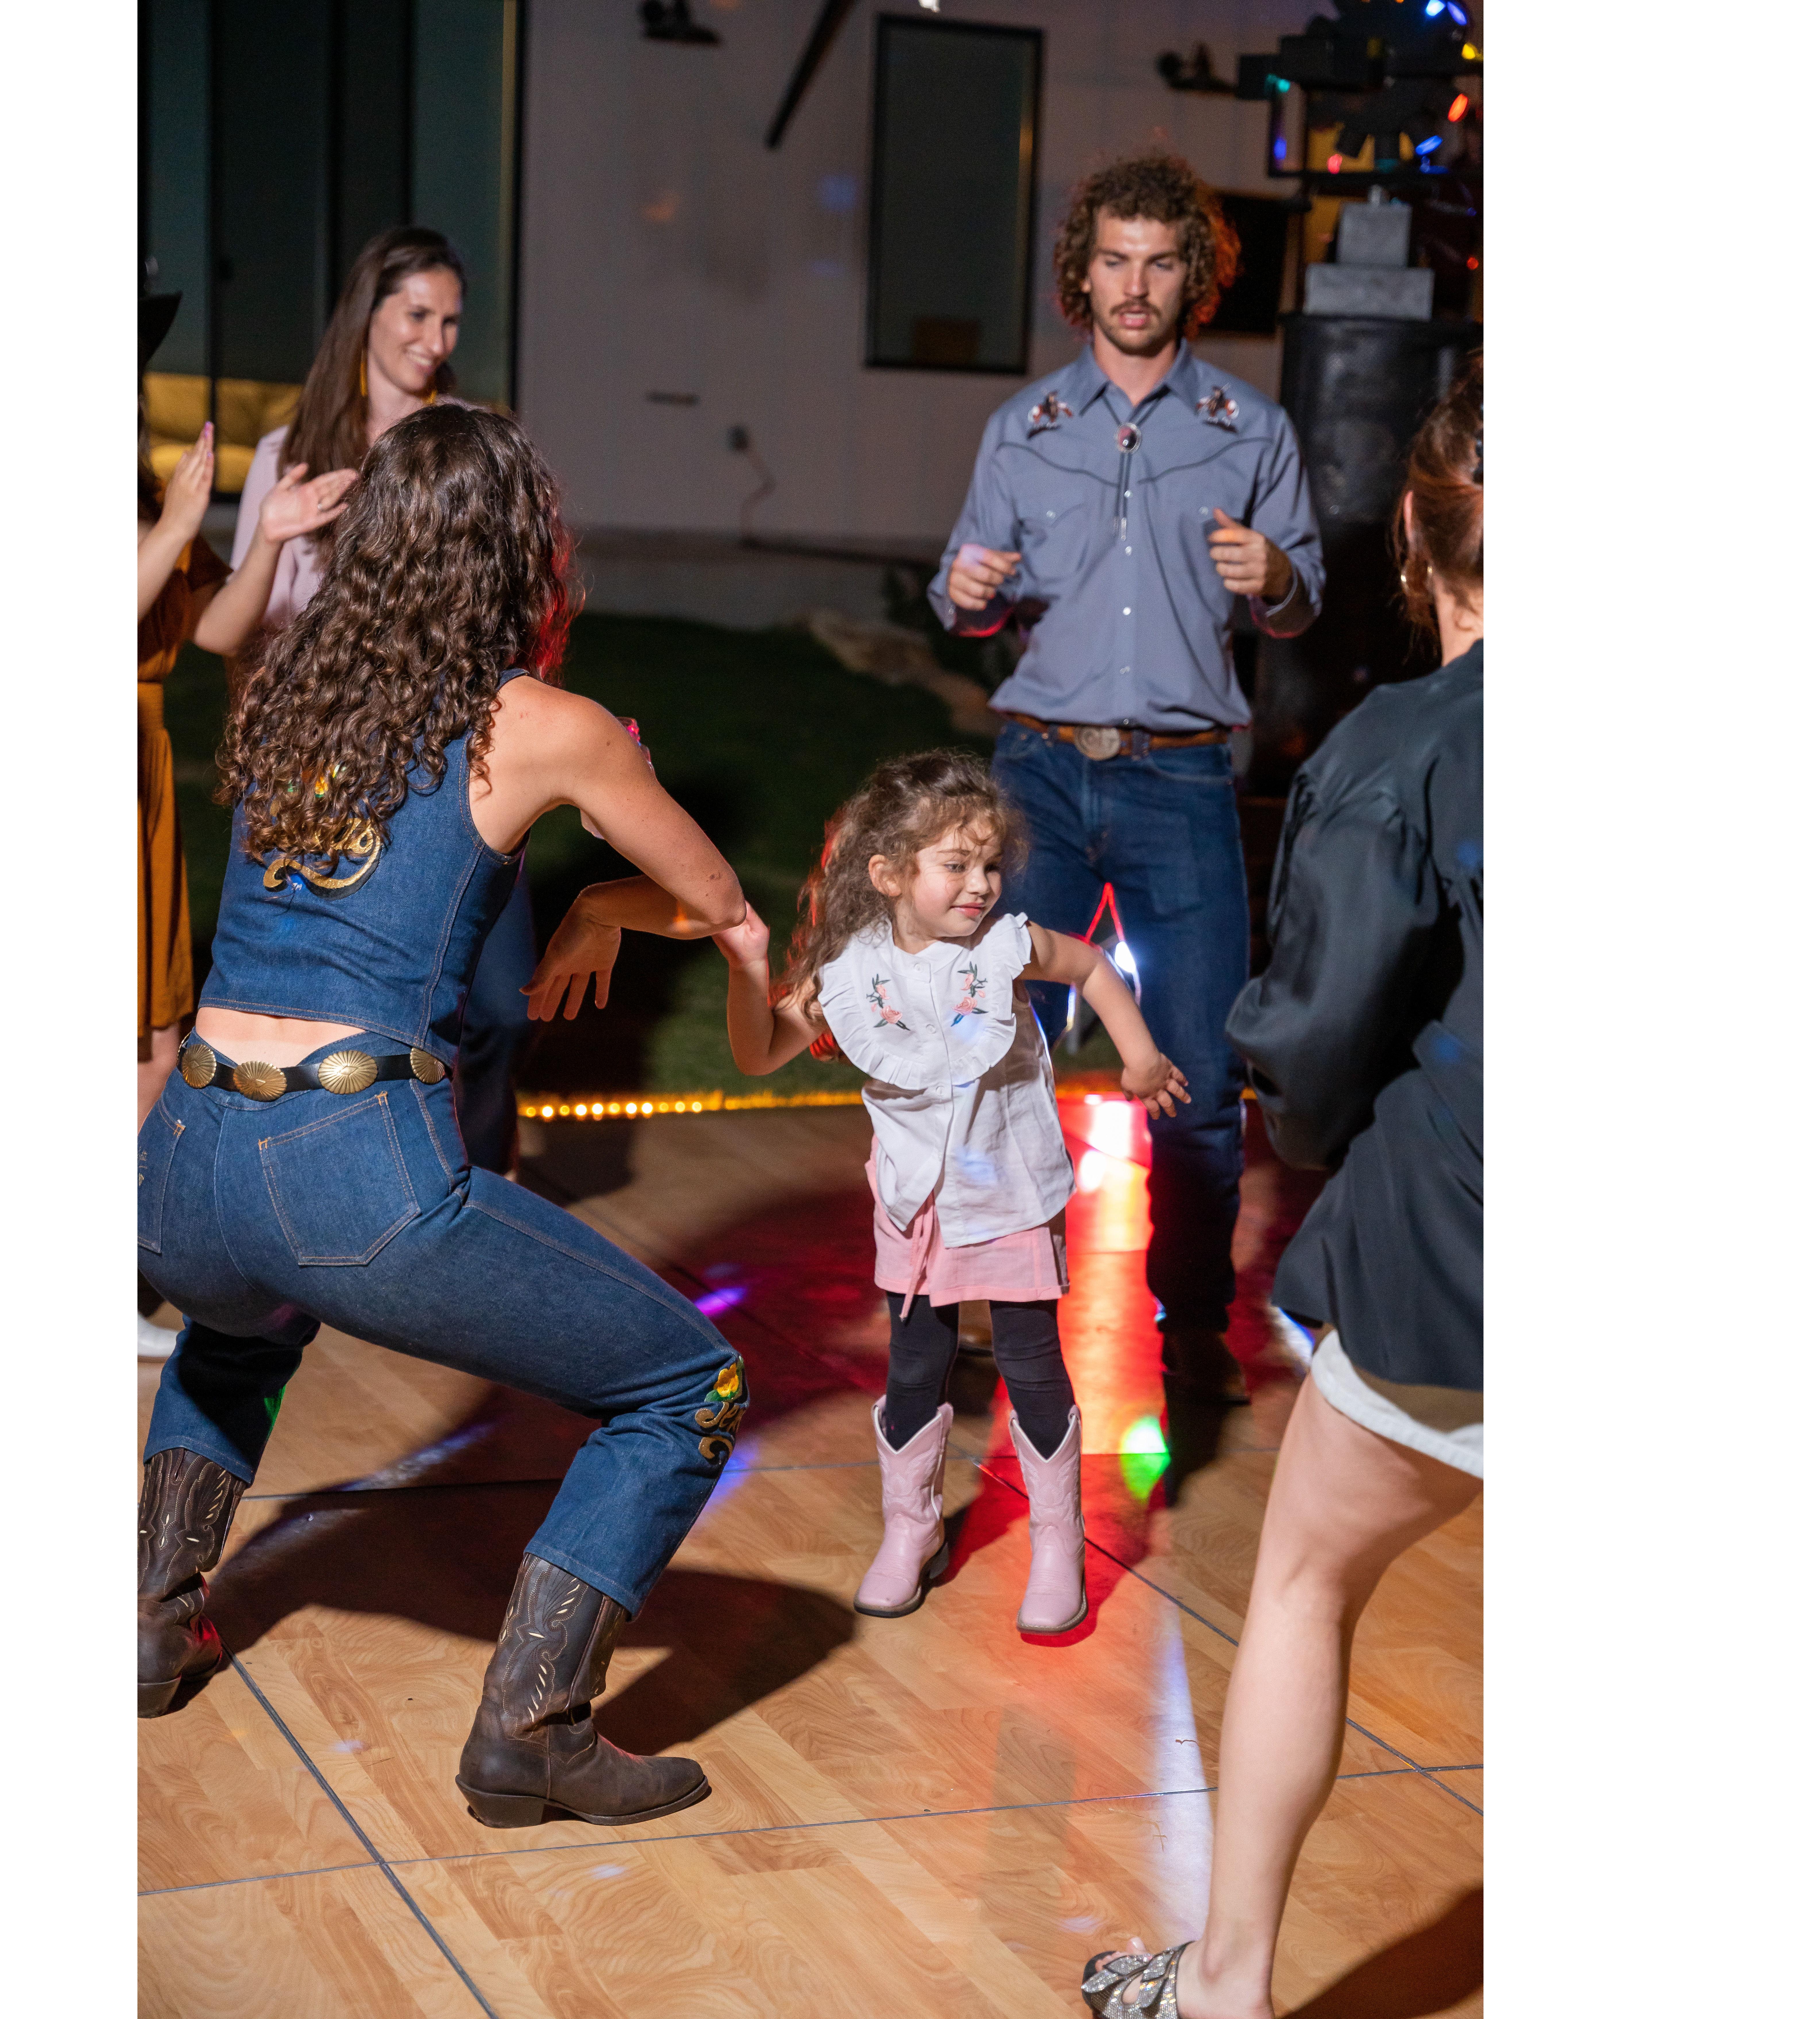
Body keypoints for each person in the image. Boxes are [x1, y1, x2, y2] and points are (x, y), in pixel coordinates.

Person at [135, 402, 750, 1833]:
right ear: (517, 554)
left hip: (176, 1165)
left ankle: (150, 1624)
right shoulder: (537, 725)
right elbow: (717, 898)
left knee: (237, 1330)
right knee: (687, 1388)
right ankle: (534, 1727)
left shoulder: (286, 683)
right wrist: (605, 899)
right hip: (349, 1174)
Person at [1079, 362, 1482, 2017]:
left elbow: (1316, 1038)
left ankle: (1224, 1988)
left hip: (1469, 1250)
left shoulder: (1412, 738)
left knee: (1309, 1578)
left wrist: (1299, 1122)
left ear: (1413, 532)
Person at [928, 153, 1325, 1407]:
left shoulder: (1251, 432)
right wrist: (968, 595)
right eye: (1114, 260)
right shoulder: (1023, 430)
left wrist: (1282, 578)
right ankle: (1003, 1302)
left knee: (1201, 1072)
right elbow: (960, 592)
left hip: (1183, 781)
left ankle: (1193, 1322)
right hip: (1037, 776)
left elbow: (1301, 608)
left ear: (1190, 277)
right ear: (1081, 273)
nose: (1135, 284)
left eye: (1160, 261)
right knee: (1002, 1051)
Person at [713, 750, 1189, 1633]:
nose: (982, 884)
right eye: (957, 865)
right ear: (890, 875)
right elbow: (759, 1052)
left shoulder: (1003, 948)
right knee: (914, 1368)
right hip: (915, 1203)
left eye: (991, 865)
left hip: (1005, 1193)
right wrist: (748, 971)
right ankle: (912, 1530)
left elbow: (1089, 967)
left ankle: (1058, 1543)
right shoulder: (852, 972)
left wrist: (1140, 1055)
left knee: (1031, 1363)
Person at [232, 224, 536, 1176]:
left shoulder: (472, 451)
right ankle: (354, 1184)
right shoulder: (295, 452)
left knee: (499, 1001)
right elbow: (248, 627)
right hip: (339, 765)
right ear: (370, 312)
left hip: (464, 756)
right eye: (417, 314)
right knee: (348, 1003)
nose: (435, 339)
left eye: (450, 320)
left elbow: (522, 596)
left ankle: (473, 1187)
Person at [138, 290, 358, 1354]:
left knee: (152, 1031)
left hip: (139, 778)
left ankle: (127, 1266)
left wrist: (262, 536)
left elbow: (218, 626)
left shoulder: (135, 479)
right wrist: (177, 526)